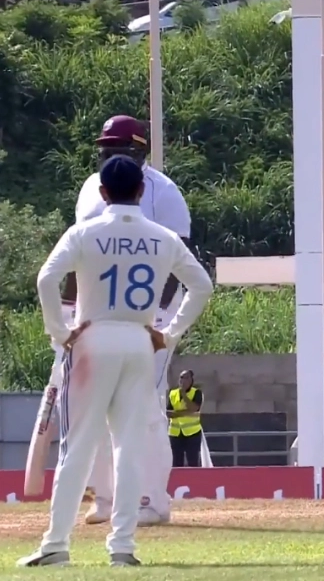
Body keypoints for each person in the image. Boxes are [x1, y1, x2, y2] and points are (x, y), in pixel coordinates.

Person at [17, 154, 213, 567]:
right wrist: (170, 332)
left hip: (91, 339)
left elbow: (47, 279)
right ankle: (122, 545)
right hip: (140, 341)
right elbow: (201, 286)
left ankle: (56, 544)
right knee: (130, 445)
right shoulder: (163, 237)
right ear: (141, 191)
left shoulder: (83, 233)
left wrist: (61, 332)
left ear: (103, 193)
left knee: (79, 446)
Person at [67, 115, 192, 527]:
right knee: (95, 408)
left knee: (147, 408)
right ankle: (105, 497)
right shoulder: (90, 188)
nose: (112, 157)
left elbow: (180, 264)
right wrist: (69, 316)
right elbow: (77, 256)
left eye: (120, 150)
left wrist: (160, 319)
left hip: (148, 316)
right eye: (106, 150)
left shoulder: (165, 194)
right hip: (94, 316)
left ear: (142, 153)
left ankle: (152, 499)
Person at [167, 370, 204, 467]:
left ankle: (194, 481)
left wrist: (183, 394)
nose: (183, 380)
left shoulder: (197, 393)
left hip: (192, 433)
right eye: (181, 378)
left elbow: (194, 408)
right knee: (176, 462)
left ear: (191, 380)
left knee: (193, 461)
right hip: (175, 433)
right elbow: (169, 413)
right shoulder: (172, 393)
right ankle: (178, 481)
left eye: (186, 378)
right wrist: (186, 412)